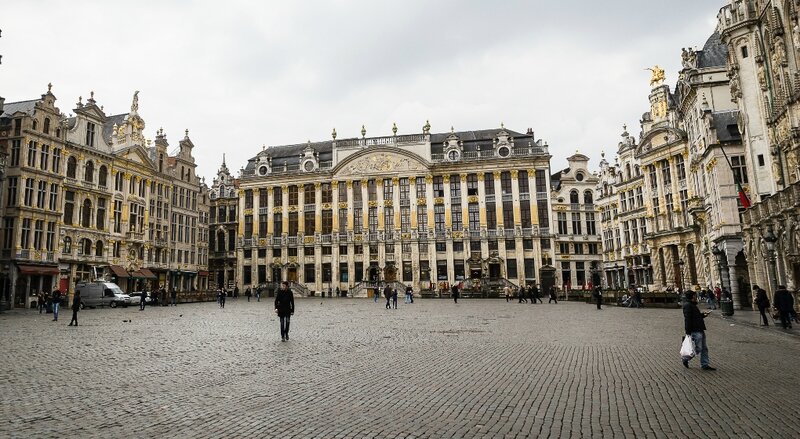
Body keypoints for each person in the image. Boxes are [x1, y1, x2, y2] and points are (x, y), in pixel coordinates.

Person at [682, 291, 715, 370]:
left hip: (700, 328)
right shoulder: (688, 305)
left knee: (704, 348)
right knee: (698, 348)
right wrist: (688, 332)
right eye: (695, 295)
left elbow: (696, 316)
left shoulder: (693, 305)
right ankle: (685, 359)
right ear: (692, 296)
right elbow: (688, 319)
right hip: (694, 330)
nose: (696, 297)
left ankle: (705, 364)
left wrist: (703, 315)